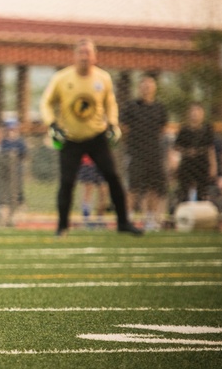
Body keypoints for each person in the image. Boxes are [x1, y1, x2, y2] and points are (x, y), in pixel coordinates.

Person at [39, 38, 142, 237]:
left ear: (95, 56)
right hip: (70, 138)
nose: (85, 57)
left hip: (97, 137)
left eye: (88, 53)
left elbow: (110, 103)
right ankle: (62, 227)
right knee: (67, 182)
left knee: (113, 177)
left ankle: (123, 222)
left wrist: (112, 123)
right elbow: (46, 102)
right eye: (81, 53)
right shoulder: (62, 78)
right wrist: (52, 124)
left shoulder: (103, 78)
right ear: (75, 56)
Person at [120, 75, 169, 230]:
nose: (146, 88)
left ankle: (150, 220)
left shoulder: (159, 108)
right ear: (139, 88)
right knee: (133, 187)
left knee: (153, 187)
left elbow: (163, 129)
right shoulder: (131, 106)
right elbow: (123, 128)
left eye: (149, 85)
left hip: (154, 153)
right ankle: (127, 218)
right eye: (144, 85)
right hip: (135, 153)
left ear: (154, 88)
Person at [173, 102, 217, 204]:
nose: (195, 114)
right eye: (193, 111)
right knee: (184, 192)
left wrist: (213, 165)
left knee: (202, 192)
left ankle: (200, 216)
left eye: (198, 111)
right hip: (187, 162)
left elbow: (210, 148)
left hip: (202, 161)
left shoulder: (207, 129)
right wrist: (185, 153)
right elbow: (176, 147)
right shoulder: (184, 129)